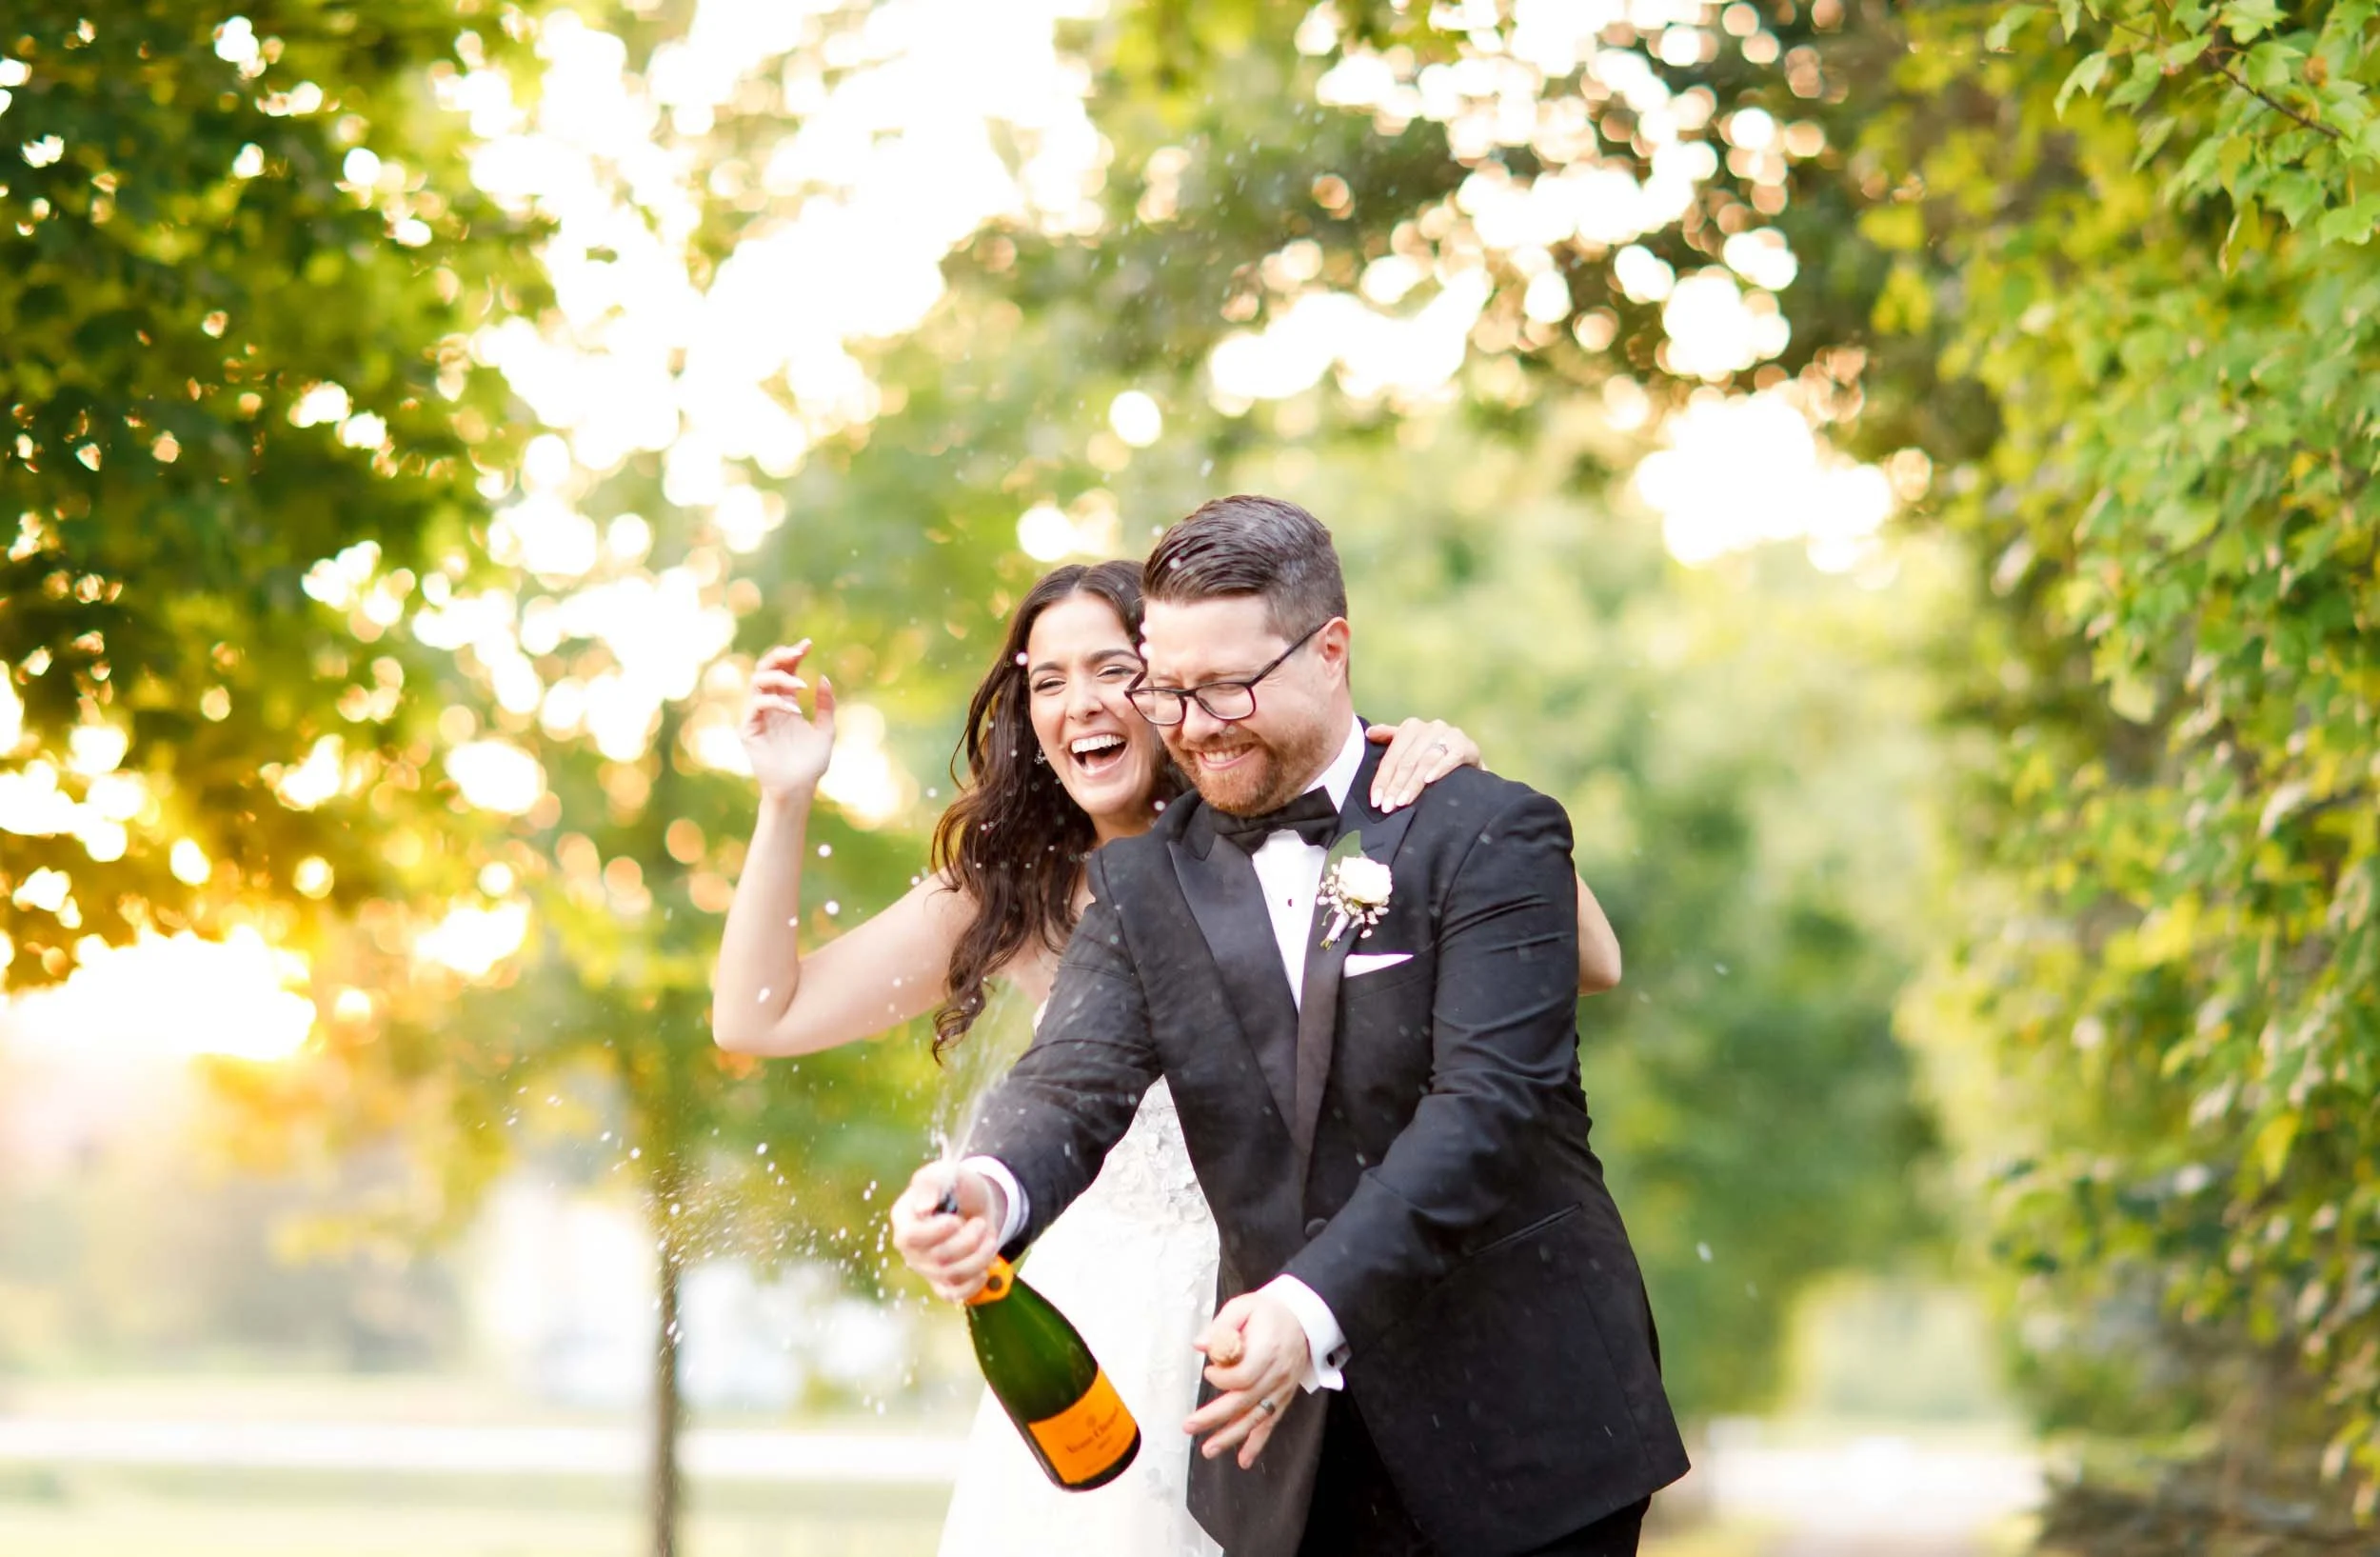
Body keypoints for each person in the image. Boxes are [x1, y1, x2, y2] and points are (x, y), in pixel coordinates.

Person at [715, 558, 1626, 1557]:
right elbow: (761, 1016)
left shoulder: (1352, 819)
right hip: (1119, 1334)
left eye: (1114, 668)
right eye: (1047, 680)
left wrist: (1455, 789)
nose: (1081, 705)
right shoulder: (1014, 891)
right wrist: (784, 800)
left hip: (1329, 1310)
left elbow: (1593, 962)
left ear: (1179, 681)